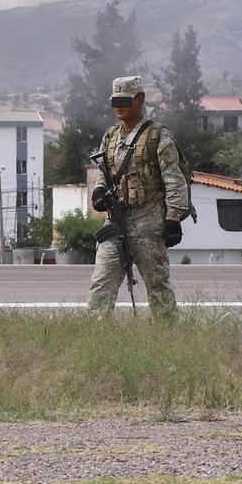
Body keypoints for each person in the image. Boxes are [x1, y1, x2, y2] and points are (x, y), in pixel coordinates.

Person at [85, 75, 192, 321]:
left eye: (124, 100)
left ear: (139, 100)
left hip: (149, 222)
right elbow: (105, 171)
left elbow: (174, 180)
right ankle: (94, 337)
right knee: (101, 284)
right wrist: (100, 191)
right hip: (116, 222)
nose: (117, 106)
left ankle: (167, 337)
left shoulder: (158, 136)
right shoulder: (111, 136)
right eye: (114, 101)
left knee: (158, 286)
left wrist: (173, 218)